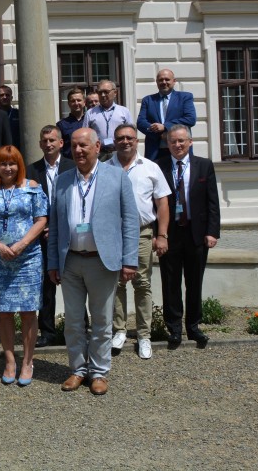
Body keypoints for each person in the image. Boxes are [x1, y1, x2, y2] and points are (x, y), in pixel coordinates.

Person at [47, 128, 139, 396]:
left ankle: (98, 372)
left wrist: (129, 260)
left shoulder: (117, 177)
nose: (78, 151)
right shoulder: (62, 181)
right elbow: (55, 225)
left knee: (102, 320)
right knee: (74, 321)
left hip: (102, 261)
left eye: (84, 145)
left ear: (97, 147)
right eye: (74, 146)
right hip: (71, 261)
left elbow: (130, 221)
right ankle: (78, 369)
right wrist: (53, 262)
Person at [0, 146, 47, 386]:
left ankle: (27, 362)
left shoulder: (32, 187)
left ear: (20, 165)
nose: (8, 168)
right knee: (4, 312)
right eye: (3, 164)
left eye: (12, 163)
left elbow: (41, 219)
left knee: (28, 312)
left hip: (27, 259)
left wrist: (22, 244)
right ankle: (9, 360)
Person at [107, 123, 171, 359]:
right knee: (116, 283)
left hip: (142, 232)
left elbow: (162, 203)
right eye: (120, 138)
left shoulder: (150, 168)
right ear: (115, 142)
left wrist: (161, 235)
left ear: (136, 141)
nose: (125, 142)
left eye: (129, 138)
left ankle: (144, 335)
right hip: (114, 234)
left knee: (142, 283)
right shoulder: (105, 168)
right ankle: (119, 330)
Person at [156, 125, 220, 350]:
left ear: (190, 142)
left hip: (196, 233)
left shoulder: (204, 165)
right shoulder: (159, 166)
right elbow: (155, 203)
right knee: (170, 283)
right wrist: (158, 234)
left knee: (194, 283)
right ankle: (174, 328)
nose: (178, 145)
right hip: (170, 232)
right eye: (173, 141)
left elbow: (213, 201)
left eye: (182, 141)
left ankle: (193, 326)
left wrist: (212, 231)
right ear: (168, 144)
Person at [26, 126, 76, 348]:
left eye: (52, 140)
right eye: (44, 140)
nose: (48, 144)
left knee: (75, 283)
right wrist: (45, 226)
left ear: (61, 143)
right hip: (43, 236)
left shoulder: (72, 167)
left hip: (70, 234)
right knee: (46, 285)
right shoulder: (32, 170)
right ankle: (47, 331)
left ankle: (78, 327)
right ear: (40, 144)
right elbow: (29, 204)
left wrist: (59, 227)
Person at [137, 68, 197, 161]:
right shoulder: (148, 100)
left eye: (167, 79)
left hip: (179, 149)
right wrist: (160, 134)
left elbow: (190, 119)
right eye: (161, 80)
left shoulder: (185, 97)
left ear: (174, 81)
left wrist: (165, 127)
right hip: (156, 151)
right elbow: (141, 123)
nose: (164, 82)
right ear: (157, 82)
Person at [85, 80, 133, 161]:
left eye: (106, 92)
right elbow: (86, 136)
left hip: (118, 152)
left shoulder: (124, 111)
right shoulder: (90, 113)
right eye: (100, 92)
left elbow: (131, 134)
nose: (103, 95)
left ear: (115, 93)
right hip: (98, 153)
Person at [56, 87, 86, 159]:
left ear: (84, 102)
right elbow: (58, 147)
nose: (76, 103)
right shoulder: (61, 125)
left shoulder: (90, 121)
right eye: (73, 101)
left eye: (79, 100)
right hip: (70, 162)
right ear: (69, 104)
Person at [0, 84, 21, 151]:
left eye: (7, 95)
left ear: (11, 98)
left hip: (16, 151)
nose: (5, 97)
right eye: (2, 95)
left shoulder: (18, 114)